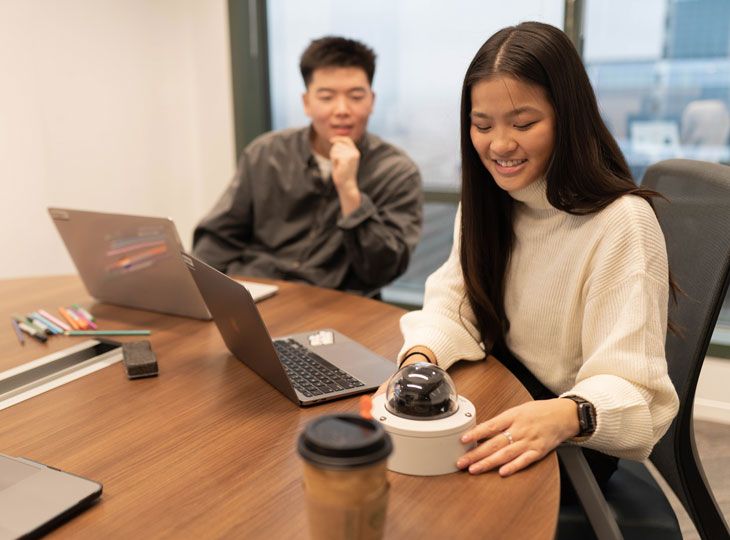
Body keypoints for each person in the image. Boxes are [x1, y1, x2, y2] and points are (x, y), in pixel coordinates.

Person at [393, 22, 679, 485]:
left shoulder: (621, 222)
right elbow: (453, 303)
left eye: (523, 124)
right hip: (505, 394)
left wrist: (569, 415)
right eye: (482, 125)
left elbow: (635, 389)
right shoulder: (492, 202)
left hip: (572, 434)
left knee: (427, 492)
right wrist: (420, 359)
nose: (500, 145)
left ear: (568, 117)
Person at [193, 36, 423, 294]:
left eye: (356, 96)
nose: (342, 110)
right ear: (306, 103)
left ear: (372, 101)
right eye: (326, 97)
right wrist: (211, 295)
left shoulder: (397, 172)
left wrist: (349, 192)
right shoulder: (266, 154)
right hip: (258, 293)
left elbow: (382, 269)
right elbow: (217, 238)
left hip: (338, 306)